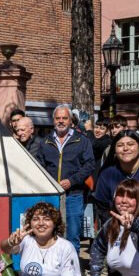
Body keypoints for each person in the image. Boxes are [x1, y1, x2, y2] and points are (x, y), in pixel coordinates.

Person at [37, 105, 95, 252]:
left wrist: (72, 181)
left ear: (70, 121)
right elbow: (40, 167)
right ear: (53, 121)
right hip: (50, 195)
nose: (61, 121)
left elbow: (89, 165)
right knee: (50, 233)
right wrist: (49, 183)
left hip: (73, 195)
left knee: (72, 235)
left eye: (64, 118)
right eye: (58, 118)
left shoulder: (82, 141)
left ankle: (73, 271)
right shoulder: (45, 142)